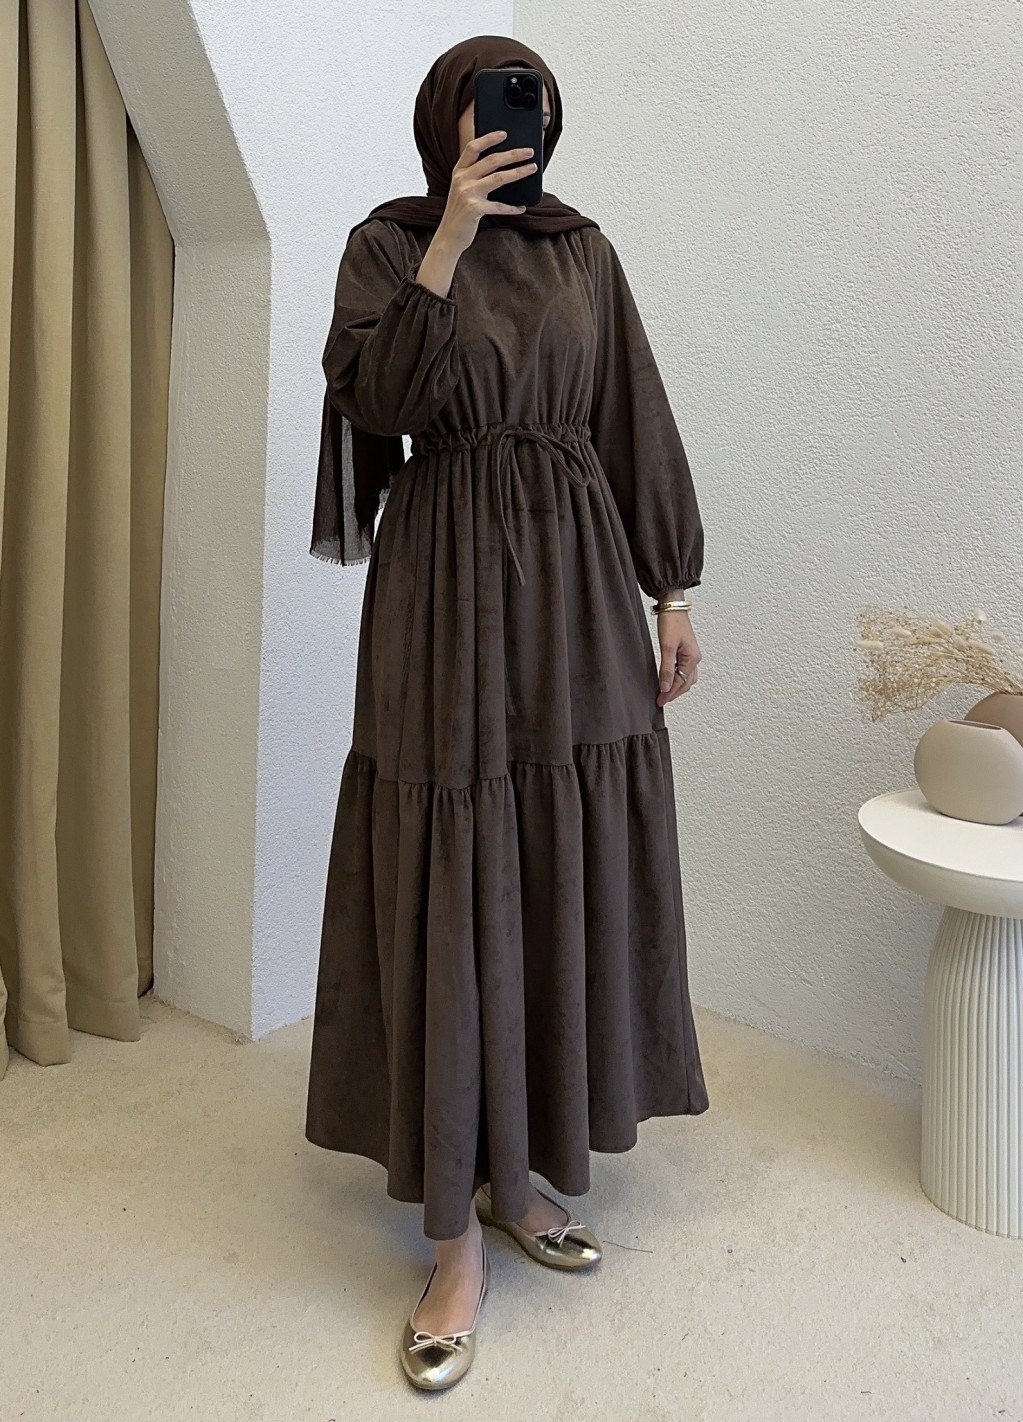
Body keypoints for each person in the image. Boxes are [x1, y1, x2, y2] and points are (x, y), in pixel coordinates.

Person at [304, 34, 709, 1392]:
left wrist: (670, 592)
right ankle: (452, 1239)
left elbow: (633, 416)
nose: (511, 124)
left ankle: (523, 1173)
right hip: (445, 590)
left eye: (529, 105)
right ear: (445, 123)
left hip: (579, 591)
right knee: (455, 865)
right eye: (489, 106)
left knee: (551, 860)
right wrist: (451, 238)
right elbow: (378, 401)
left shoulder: (586, 252)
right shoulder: (389, 244)